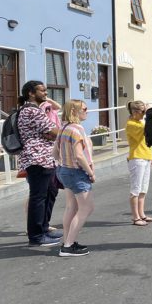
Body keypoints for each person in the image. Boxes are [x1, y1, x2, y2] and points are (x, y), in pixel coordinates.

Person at [16, 81, 62, 247]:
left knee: (51, 191)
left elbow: (52, 132)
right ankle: (36, 236)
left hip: (44, 157)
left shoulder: (34, 110)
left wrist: (52, 134)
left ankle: (43, 229)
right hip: (37, 158)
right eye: (42, 90)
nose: (45, 93)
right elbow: (55, 131)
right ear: (31, 93)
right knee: (38, 197)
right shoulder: (31, 111)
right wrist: (53, 133)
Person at [54, 100, 96, 256]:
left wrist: (63, 162)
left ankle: (67, 241)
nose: (87, 111)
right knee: (87, 207)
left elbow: (55, 153)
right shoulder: (77, 130)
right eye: (84, 109)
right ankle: (68, 245)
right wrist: (90, 173)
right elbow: (79, 155)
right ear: (74, 111)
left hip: (64, 170)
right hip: (76, 172)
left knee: (71, 207)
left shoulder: (63, 128)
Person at [125, 101, 152, 226]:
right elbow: (147, 129)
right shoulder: (132, 124)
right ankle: (135, 217)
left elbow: (147, 140)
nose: (144, 114)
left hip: (145, 156)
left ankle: (142, 214)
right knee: (135, 189)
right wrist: (149, 115)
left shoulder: (141, 122)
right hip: (137, 158)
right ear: (135, 112)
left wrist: (151, 156)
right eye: (143, 112)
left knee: (143, 189)